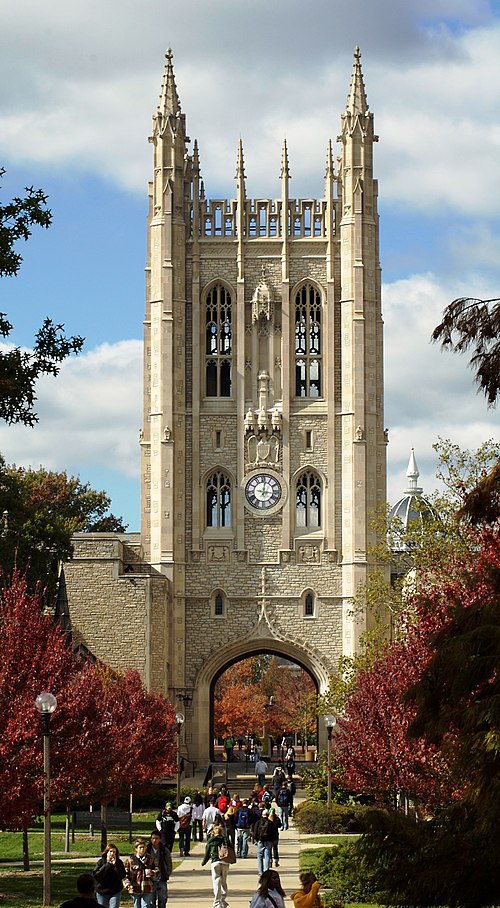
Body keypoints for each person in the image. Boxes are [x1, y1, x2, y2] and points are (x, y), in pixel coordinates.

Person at [201, 822, 231, 908]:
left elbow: (207, 853)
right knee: (224, 881)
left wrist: (204, 862)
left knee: (216, 881)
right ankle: (223, 900)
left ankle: (217, 902)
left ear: (213, 832)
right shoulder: (225, 839)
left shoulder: (210, 841)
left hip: (215, 862)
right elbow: (230, 848)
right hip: (225, 862)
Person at [123, 838, 158, 908]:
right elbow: (125, 875)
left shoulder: (151, 859)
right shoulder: (130, 860)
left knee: (145, 905)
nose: (142, 849)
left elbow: (157, 870)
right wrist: (128, 885)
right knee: (137, 906)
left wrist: (152, 872)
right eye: (140, 847)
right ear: (136, 849)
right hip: (135, 888)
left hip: (147, 886)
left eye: (143, 847)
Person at [93, 843, 126, 908]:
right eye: (110, 851)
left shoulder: (119, 863)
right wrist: (108, 865)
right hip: (102, 891)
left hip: (115, 891)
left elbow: (122, 875)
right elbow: (97, 875)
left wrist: (115, 866)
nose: (112, 853)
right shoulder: (101, 862)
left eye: (114, 852)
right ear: (106, 852)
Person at [146, 831, 172, 908]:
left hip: (161, 878)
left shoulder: (164, 850)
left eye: (156, 838)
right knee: (151, 900)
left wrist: (167, 873)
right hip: (150, 880)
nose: (154, 840)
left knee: (163, 899)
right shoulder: (147, 849)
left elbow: (169, 863)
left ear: (160, 839)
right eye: (153, 838)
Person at [253, 808, 272, 876]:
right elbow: (273, 832)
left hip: (260, 840)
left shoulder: (258, 822)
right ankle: (266, 871)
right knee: (267, 856)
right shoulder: (270, 822)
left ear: (262, 815)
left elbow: (255, 831)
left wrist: (255, 839)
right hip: (268, 840)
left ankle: (260, 871)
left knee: (260, 857)